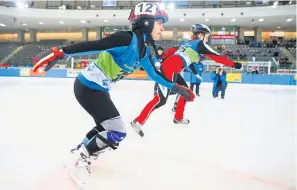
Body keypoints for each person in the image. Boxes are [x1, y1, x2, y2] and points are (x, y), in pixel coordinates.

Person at [31, 2, 195, 171]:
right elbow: (94, 45)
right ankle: (82, 157)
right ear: (147, 22)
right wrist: (60, 51)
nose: (162, 29)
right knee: (118, 131)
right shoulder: (126, 39)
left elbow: (155, 75)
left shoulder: (144, 52)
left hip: (98, 89)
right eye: (160, 23)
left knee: (106, 128)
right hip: (88, 87)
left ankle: (80, 150)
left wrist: (178, 89)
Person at [131, 24, 242, 137]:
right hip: (171, 69)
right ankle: (138, 121)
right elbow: (216, 56)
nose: (207, 39)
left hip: (172, 68)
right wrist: (234, 64)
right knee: (160, 99)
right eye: (206, 36)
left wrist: (162, 59)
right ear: (200, 35)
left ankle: (178, 117)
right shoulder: (199, 44)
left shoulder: (187, 43)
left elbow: (172, 51)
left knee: (186, 93)